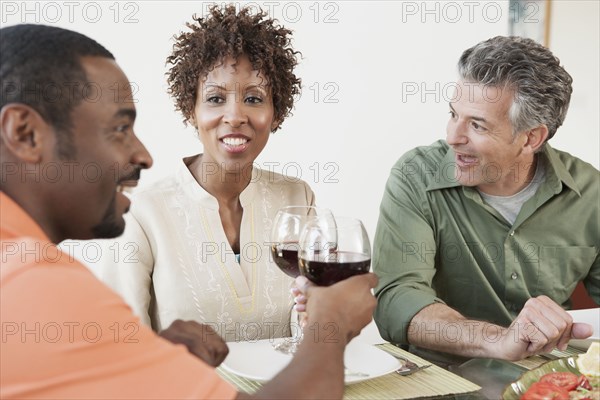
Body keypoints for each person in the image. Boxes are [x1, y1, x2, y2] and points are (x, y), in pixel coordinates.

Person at [0, 23, 378, 399]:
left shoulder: (28, 268)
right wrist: (331, 324)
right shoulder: (33, 283)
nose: (144, 156)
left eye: (254, 98)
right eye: (118, 128)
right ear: (25, 133)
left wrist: (155, 357)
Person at [86, 5, 313, 341]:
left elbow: (305, 328)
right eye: (215, 98)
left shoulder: (297, 199)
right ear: (190, 110)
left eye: (253, 98)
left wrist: (318, 313)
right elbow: (119, 349)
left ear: (276, 113)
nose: (234, 116)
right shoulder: (141, 214)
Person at [373, 36, 598, 363]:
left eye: (477, 125)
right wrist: (497, 340)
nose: (453, 137)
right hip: (440, 383)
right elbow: (396, 300)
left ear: (530, 138)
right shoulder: (415, 175)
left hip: (544, 385)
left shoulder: (591, 193)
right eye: (453, 115)